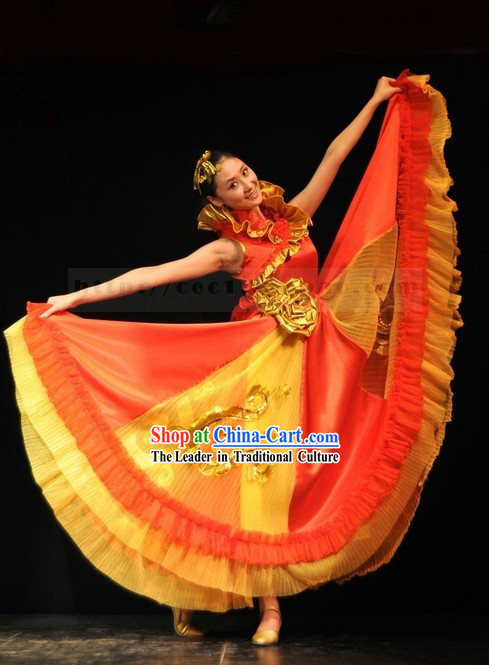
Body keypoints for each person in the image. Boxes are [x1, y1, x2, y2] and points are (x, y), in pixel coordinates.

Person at [3, 69, 463, 646]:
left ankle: (191, 589)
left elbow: (334, 156)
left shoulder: (291, 220)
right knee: (255, 477)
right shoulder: (228, 248)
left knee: (298, 469)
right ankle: (265, 606)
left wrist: (374, 103)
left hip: (315, 356)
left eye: (244, 172)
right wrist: (76, 295)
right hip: (257, 365)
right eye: (231, 184)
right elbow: (153, 276)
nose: (245, 184)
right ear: (218, 201)